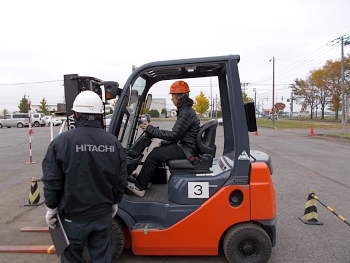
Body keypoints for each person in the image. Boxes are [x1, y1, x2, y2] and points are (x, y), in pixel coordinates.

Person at [42, 90, 127, 263]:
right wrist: (115, 201)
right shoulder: (113, 143)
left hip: (72, 216)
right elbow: (121, 179)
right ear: (99, 115)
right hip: (102, 214)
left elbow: (52, 181)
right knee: (101, 256)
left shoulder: (61, 142)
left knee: (71, 256)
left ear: (76, 114)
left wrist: (51, 207)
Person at [127, 80, 200, 197]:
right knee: (157, 151)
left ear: (179, 96)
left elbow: (174, 135)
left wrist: (151, 130)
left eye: (172, 96)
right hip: (186, 146)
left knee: (154, 155)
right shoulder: (186, 111)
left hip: (187, 149)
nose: (171, 99)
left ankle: (140, 187)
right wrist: (165, 142)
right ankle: (145, 180)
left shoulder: (186, 112)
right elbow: (178, 134)